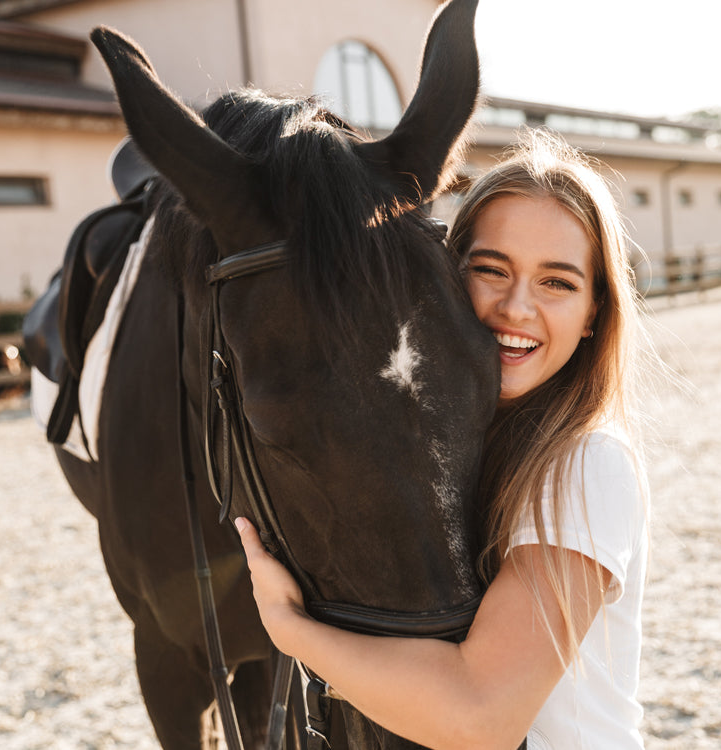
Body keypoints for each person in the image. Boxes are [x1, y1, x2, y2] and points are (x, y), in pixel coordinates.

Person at [236, 129, 659, 749]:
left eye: (558, 282)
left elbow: (480, 718)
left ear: (595, 311)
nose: (517, 307)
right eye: (491, 270)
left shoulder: (587, 465)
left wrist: (290, 628)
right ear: (444, 278)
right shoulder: (438, 446)